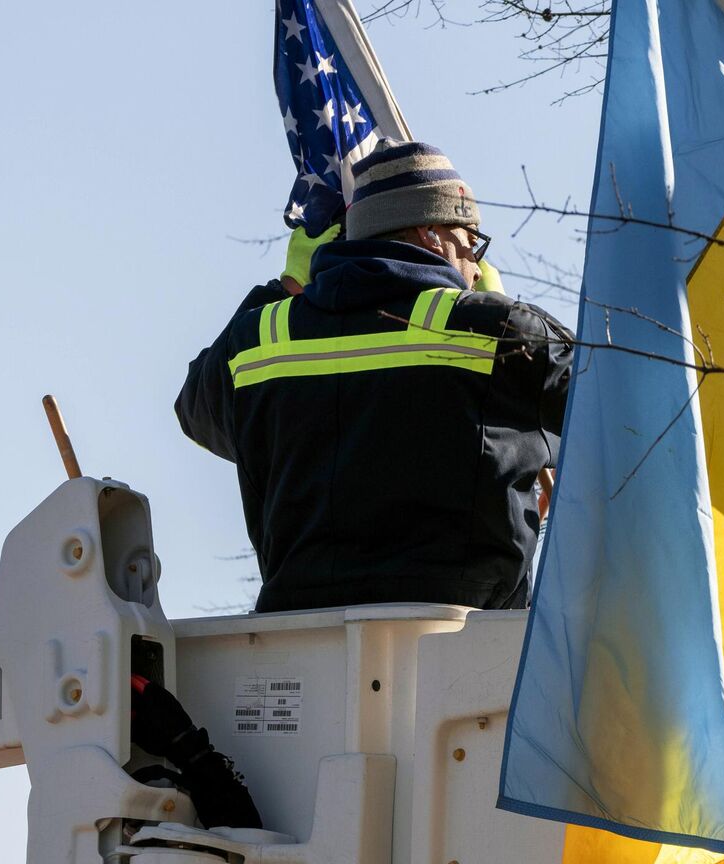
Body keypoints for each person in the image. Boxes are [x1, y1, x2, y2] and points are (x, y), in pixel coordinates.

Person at [176, 141, 572, 613]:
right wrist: (508, 318)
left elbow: (195, 410)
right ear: (430, 233)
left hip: (299, 643)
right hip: (466, 648)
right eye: (472, 243)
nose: (474, 266)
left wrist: (282, 290)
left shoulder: (259, 338)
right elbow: (623, 403)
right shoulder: (498, 333)